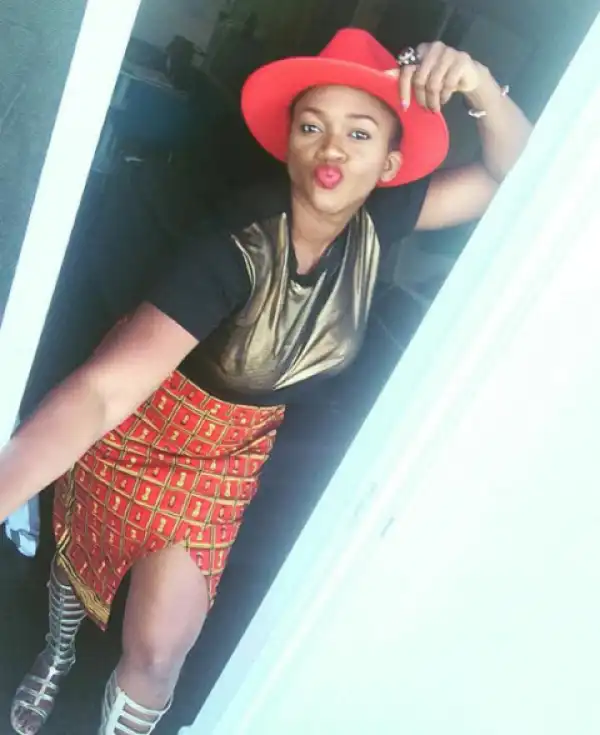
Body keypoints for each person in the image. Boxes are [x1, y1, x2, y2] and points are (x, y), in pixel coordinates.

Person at [3, 28, 531, 735]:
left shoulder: (382, 222)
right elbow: (106, 392)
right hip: (145, 422)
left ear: (390, 163)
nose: (332, 149)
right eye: (312, 127)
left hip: (226, 457)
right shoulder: (236, 243)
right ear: (288, 144)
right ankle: (57, 653)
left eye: (359, 133)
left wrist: (477, 84)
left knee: (159, 649)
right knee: (79, 561)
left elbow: (518, 176)